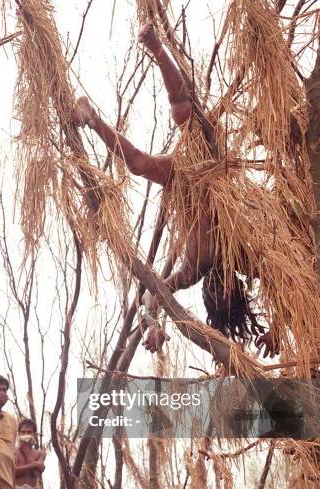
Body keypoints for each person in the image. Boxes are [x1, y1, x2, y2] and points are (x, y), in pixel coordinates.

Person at [73, 23, 277, 359]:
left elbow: (157, 293)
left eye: (212, 297)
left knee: (138, 164)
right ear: (237, 289)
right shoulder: (245, 258)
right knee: (186, 113)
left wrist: (153, 323)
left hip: (183, 181)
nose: (216, 290)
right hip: (212, 169)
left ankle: (92, 120)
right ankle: (156, 47)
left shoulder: (194, 268)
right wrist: (279, 325)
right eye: (224, 293)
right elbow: (283, 282)